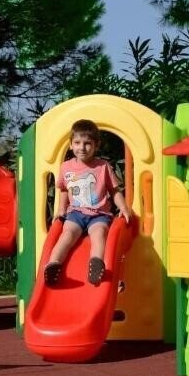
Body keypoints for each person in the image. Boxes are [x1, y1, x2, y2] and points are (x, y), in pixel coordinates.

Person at [43, 119, 131, 287]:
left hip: (99, 215)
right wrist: (61, 209)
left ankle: (96, 265)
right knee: (67, 234)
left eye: (87, 143)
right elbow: (63, 189)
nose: (82, 148)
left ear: (96, 145)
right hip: (75, 213)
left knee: (99, 234)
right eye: (77, 143)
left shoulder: (102, 167)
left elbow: (114, 191)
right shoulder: (66, 167)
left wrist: (124, 207)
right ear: (71, 145)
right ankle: (53, 264)